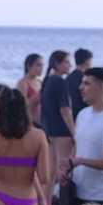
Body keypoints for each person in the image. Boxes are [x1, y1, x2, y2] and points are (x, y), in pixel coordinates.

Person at [66, 67, 103, 205]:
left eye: (86, 83)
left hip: (102, 196)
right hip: (78, 191)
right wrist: (68, 166)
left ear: (101, 87)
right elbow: (78, 145)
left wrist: (80, 161)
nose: (81, 87)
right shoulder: (83, 114)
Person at [40, 50, 77, 180]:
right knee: (63, 168)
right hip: (62, 131)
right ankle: (64, 193)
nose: (70, 65)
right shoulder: (60, 82)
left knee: (51, 171)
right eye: (66, 62)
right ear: (57, 64)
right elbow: (65, 109)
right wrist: (74, 133)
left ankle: (46, 194)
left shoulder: (47, 81)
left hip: (48, 130)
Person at [17, 53, 44, 127]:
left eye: (42, 65)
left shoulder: (40, 82)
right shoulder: (23, 83)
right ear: (28, 66)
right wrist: (39, 93)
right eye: (38, 65)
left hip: (43, 123)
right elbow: (23, 107)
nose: (41, 68)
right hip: (31, 123)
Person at [67, 48, 93, 119]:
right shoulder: (86, 80)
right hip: (84, 115)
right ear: (87, 62)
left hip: (71, 115)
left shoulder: (68, 78)